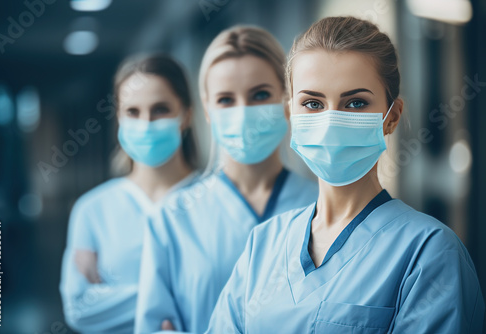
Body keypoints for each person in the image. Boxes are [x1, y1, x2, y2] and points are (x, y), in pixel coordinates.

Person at [206, 16, 485, 333]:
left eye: (355, 103)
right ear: (290, 115)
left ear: (391, 117)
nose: (330, 122)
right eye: (312, 103)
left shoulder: (429, 253)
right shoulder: (264, 244)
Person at [134, 26, 319, 334]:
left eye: (260, 95)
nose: (243, 111)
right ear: (206, 110)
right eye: (225, 100)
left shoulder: (323, 208)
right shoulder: (170, 219)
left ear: (287, 101)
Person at [59, 54, 199, 333]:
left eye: (160, 109)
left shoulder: (219, 200)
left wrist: (116, 296)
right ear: (119, 119)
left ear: (186, 115)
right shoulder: (92, 209)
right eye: (132, 112)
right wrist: (185, 297)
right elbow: (79, 308)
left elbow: (237, 300)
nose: (146, 123)